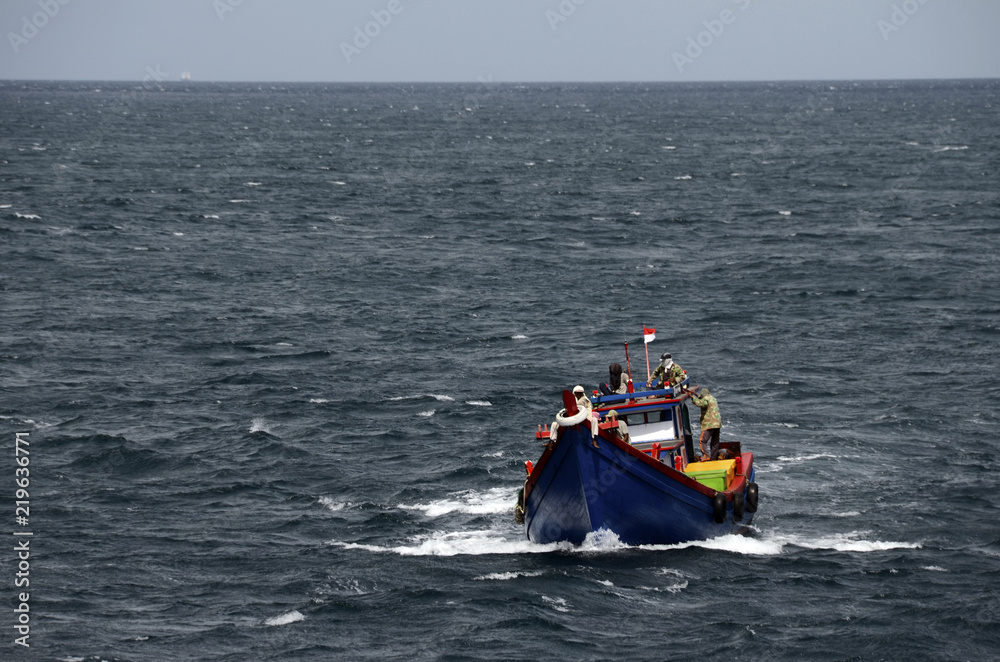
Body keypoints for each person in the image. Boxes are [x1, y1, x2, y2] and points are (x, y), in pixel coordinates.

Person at [680, 386, 721, 461]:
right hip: (717, 423)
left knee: (702, 441)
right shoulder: (713, 398)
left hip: (709, 424)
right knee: (715, 443)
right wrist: (696, 395)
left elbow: (702, 403)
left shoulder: (705, 399)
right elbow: (703, 400)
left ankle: (706, 456)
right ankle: (713, 458)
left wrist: (693, 398)